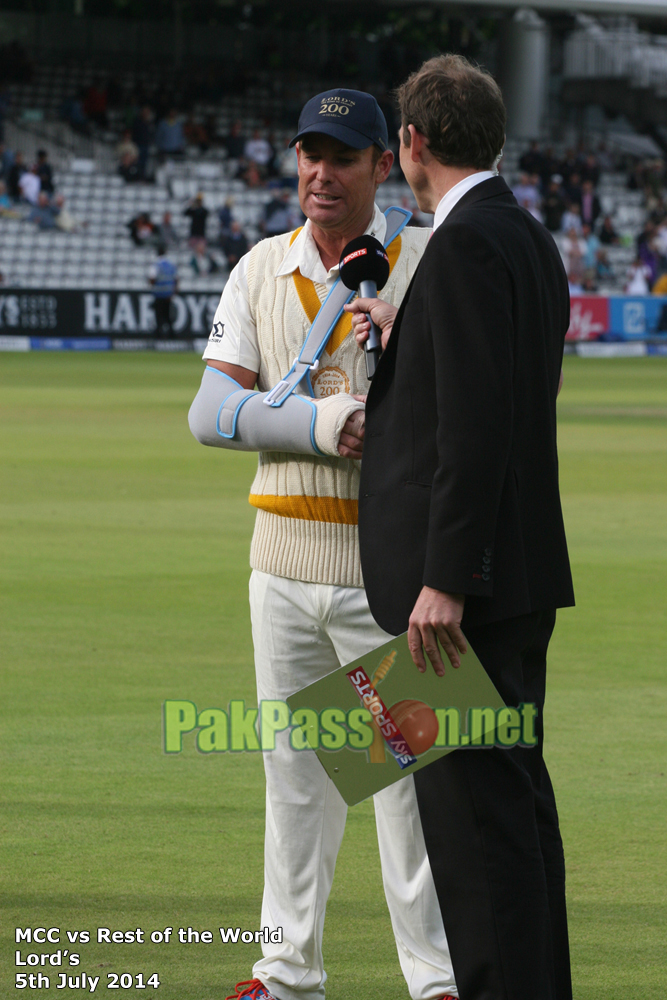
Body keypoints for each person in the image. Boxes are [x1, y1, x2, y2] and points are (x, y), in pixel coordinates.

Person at [192, 90, 460, 1000]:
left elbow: (464, 413)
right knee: (295, 784)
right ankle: (285, 976)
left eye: (341, 156)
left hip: (396, 573)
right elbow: (209, 413)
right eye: (309, 153)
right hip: (279, 566)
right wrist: (319, 423)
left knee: (411, 793)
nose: (320, 173)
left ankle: (437, 982)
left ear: (382, 164)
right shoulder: (259, 267)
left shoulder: (424, 258)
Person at [348, 54, 575, 1000]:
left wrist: (444, 576)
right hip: (508, 581)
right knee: (510, 818)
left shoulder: (466, 242)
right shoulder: (521, 235)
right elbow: (489, 388)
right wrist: (408, 342)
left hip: (461, 597)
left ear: (412, 143)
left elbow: (476, 425)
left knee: (474, 837)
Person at [149, 244, 178, 337]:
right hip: (168, 295)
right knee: (167, 315)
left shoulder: (155, 265)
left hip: (158, 294)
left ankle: (159, 334)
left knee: (159, 315)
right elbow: (176, 279)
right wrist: (173, 292)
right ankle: (171, 335)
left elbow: (152, 278)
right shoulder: (171, 265)